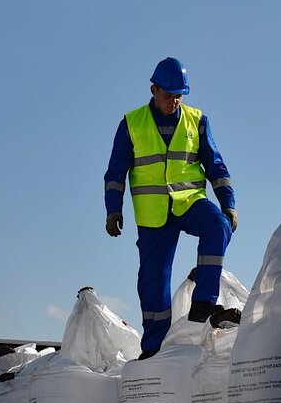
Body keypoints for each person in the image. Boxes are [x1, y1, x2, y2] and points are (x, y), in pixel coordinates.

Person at [103, 57, 240, 360]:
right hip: (153, 213)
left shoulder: (197, 121)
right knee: (153, 281)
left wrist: (228, 204)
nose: (174, 101)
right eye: (169, 95)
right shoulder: (131, 124)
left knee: (218, 226)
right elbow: (115, 172)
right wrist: (113, 209)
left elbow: (216, 166)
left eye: (179, 95)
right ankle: (154, 349)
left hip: (189, 201)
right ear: (153, 90)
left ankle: (204, 303)